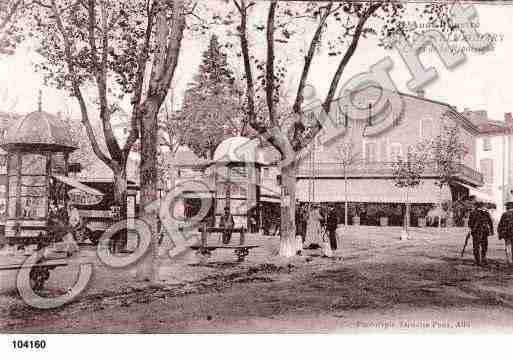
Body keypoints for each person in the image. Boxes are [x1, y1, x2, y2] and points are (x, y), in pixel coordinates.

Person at [468, 201, 494, 266]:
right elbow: (490, 222)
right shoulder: (486, 212)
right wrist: (491, 231)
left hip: (476, 232)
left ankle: (477, 261)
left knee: (476, 246)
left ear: (476, 206)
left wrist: (471, 228)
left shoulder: (473, 213)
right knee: (484, 246)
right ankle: (483, 258)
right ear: (482, 206)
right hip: (484, 232)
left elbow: (470, 223)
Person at [497, 202, 513, 267]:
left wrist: (500, 234)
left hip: (508, 234)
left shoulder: (505, 214)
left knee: (508, 247)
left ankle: (510, 261)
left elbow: (500, 225)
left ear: (507, 207)